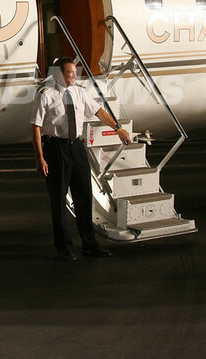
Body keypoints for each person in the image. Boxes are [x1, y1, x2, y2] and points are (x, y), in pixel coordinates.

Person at [31, 57, 132, 261]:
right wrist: (40, 157)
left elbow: (99, 112)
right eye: (70, 72)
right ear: (59, 74)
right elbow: (36, 127)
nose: (74, 76)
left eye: (75, 72)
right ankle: (64, 248)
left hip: (76, 148)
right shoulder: (46, 95)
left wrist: (118, 129)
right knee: (59, 200)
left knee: (84, 196)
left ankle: (90, 245)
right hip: (55, 149)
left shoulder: (79, 92)